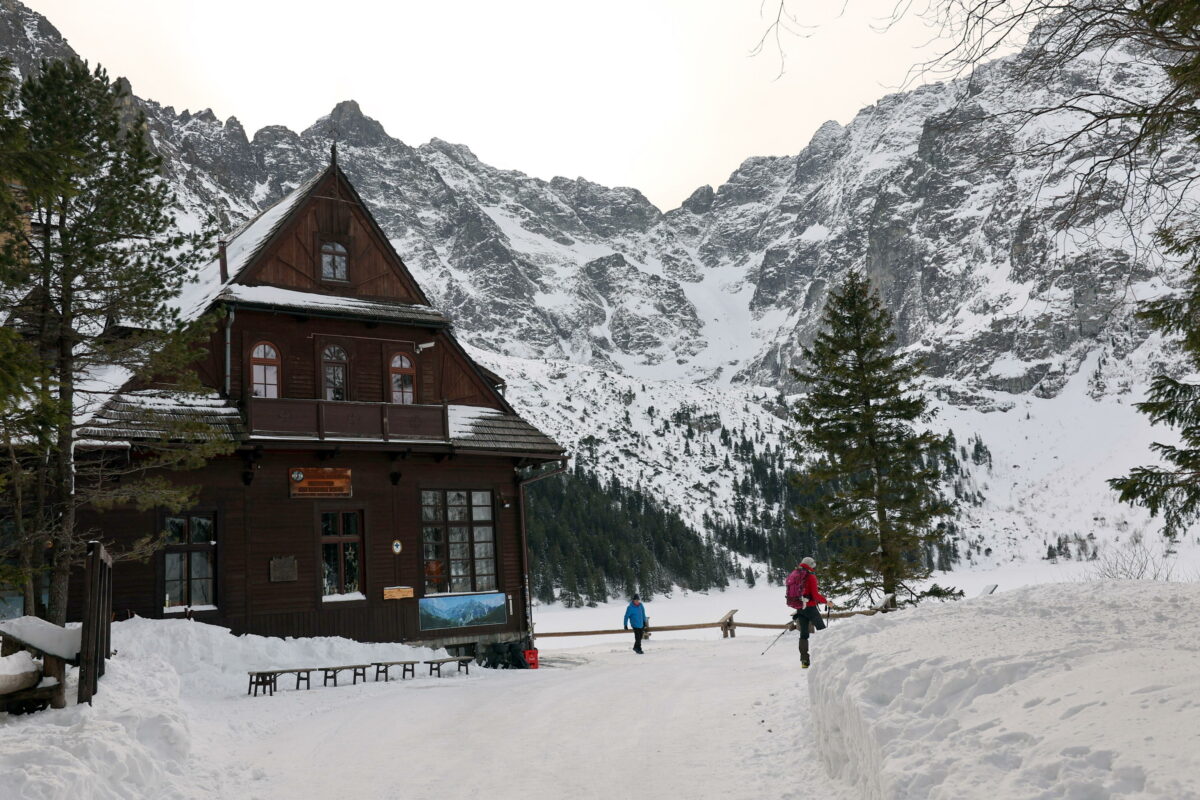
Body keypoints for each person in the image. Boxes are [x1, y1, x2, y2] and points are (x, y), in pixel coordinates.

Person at [786, 556, 827, 668]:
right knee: (823, 631)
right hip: (811, 608)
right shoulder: (810, 576)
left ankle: (804, 661)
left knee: (803, 635)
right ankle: (828, 657)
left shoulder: (796, 574)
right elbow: (815, 595)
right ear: (811, 565)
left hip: (800, 608)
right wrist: (827, 602)